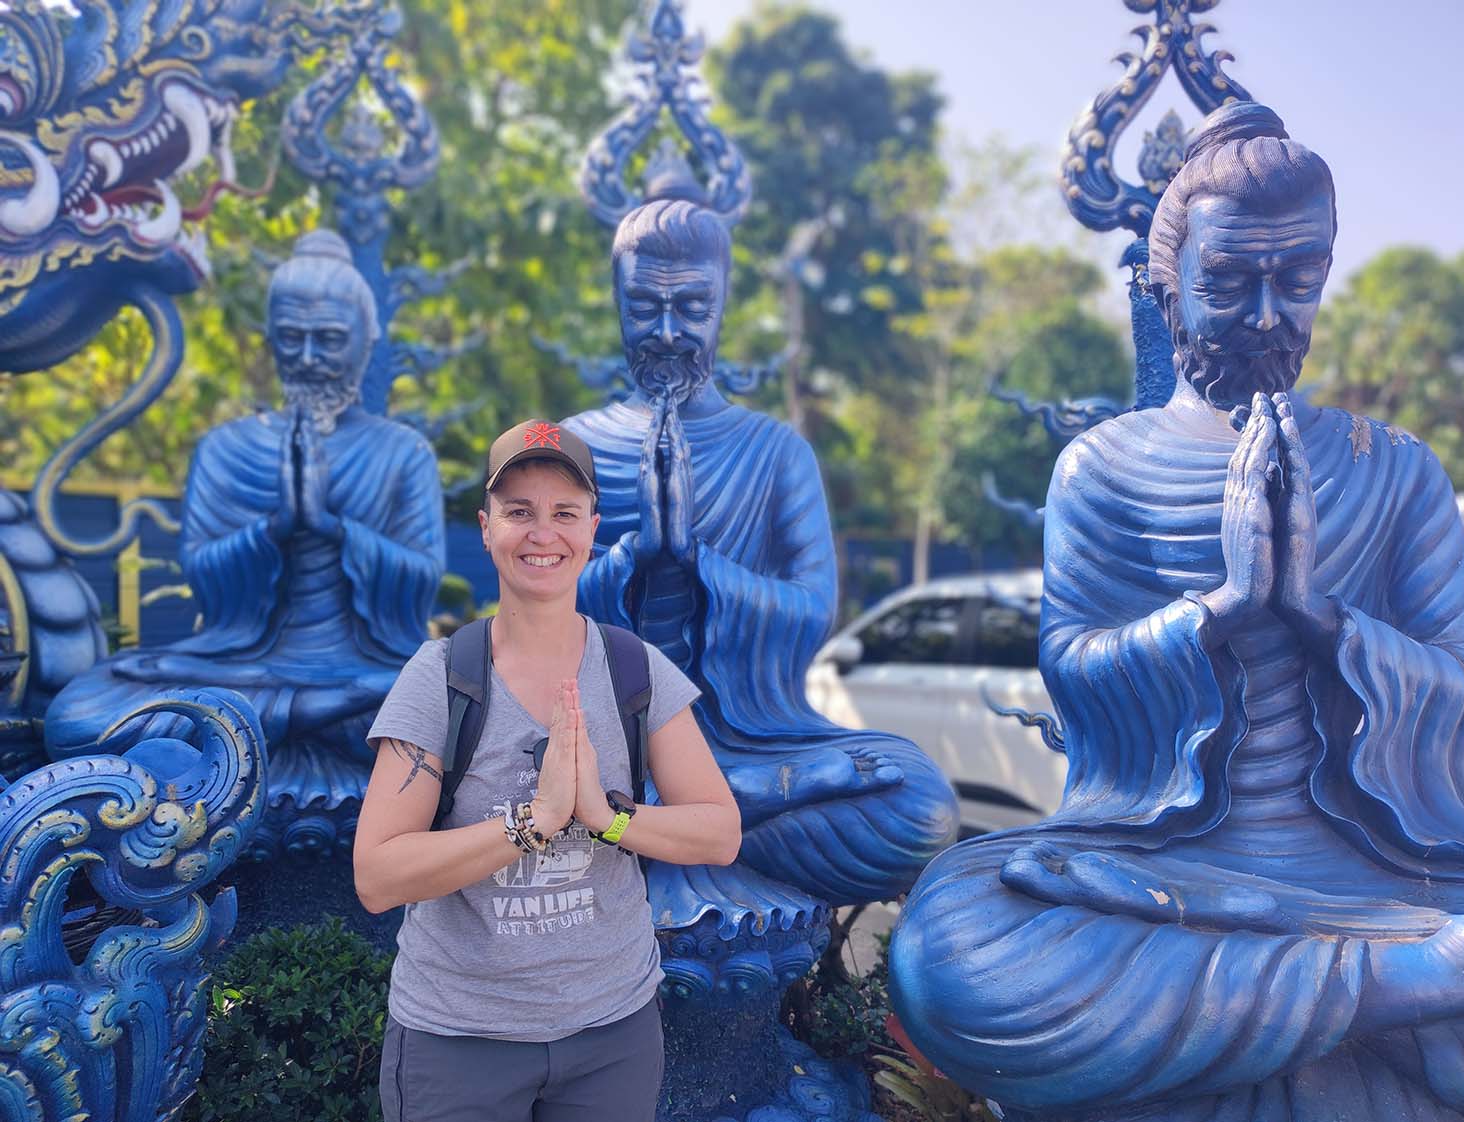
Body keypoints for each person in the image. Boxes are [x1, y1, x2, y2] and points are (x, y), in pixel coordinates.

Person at [889, 102, 1464, 1121]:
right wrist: (1222, 609)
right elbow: (1071, 664)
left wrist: (1321, 617)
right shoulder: (1102, 469)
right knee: (948, 949)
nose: (1265, 314)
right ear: (1169, 283)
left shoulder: (1393, 469)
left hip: (1375, 870)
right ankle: (1408, 987)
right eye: (1228, 281)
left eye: (1297, 279)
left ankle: (1304, 1005)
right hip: (1163, 872)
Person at [563, 197, 958, 908]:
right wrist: (633, 559)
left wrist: (698, 562)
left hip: (744, 737)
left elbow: (813, 606)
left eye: (692, 307)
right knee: (502, 772)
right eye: (644, 307)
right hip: (596, 741)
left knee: (918, 805)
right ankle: (725, 805)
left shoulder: (775, 451)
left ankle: (678, 808)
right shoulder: (572, 446)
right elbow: (528, 613)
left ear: (723, 304)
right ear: (615, 300)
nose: (667, 332)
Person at [354, 417, 740, 1122]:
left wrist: (605, 816)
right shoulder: (441, 677)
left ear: (592, 529)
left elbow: (719, 833)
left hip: (613, 1035)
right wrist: (534, 822)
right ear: (486, 528)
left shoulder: (636, 670)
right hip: (459, 1040)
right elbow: (377, 876)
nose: (542, 534)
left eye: (564, 513)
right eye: (519, 512)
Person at [44, 230, 445, 854]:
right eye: (291, 337)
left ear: (366, 341)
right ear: (270, 338)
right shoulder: (228, 448)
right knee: (77, 718)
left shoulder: (403, 452)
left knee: (462, 711)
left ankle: (257, 733)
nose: (308, 357)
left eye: (329, 339)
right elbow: (204, 572)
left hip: (366, 666)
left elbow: (422, 573)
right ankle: (321, 712)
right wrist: (276, 528)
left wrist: (332, 528)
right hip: (250, 665)